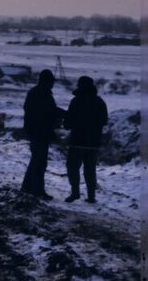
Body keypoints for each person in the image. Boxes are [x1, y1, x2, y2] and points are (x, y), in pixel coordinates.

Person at [20, 69, 67, 199]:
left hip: (37, 131)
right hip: (39, 132)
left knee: (36, 160)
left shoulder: (37, 92)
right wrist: (65, 114)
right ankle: (37, 190)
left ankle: (27, 187)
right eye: (51, 81)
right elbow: (49, 111)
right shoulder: (41, 93)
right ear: (46, 81)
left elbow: (48, 111)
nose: (52, 84)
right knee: (39, 162)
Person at [63, 75, 109, 204]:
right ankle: (91, 196)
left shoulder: (76, 101)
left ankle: (75, 193)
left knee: (72, 168)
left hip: (77, 141)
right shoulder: (99, 101)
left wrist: (68, 124)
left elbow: (68, 121)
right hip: (93, 142)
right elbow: (104, 120)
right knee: (90, 170)